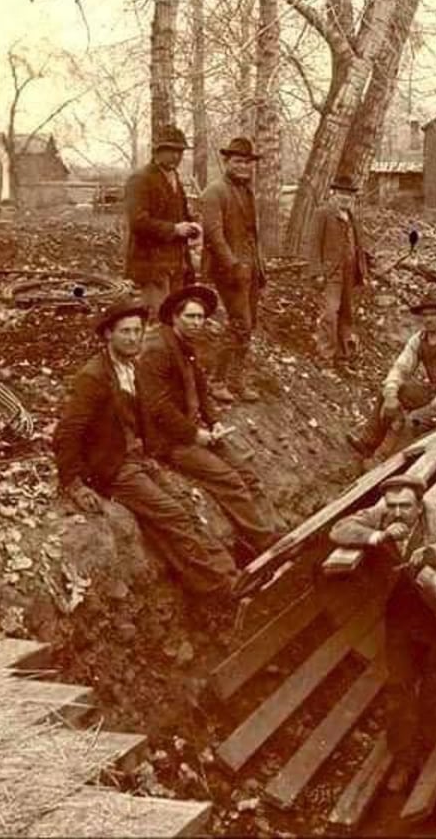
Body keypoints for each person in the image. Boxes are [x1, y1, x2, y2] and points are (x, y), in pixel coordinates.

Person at [52, 298, 241, 596]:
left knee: (186, 508)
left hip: (137, 458)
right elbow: (67, 432)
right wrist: (74, 483)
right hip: (111, 468)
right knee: (173, 514)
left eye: (137, 331)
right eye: (124, 332)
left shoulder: (132, 368)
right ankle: (221, 587)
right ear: (108, 335)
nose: (132, 338)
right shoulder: (93, 377)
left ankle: (230, 576)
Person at [328, 474, 436, 793]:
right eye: (393, 506)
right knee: (398, 688)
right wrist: (377, 536)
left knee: (435, 686)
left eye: (406, 506)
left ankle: (430, 750)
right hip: (399, 617)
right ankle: (403, 760)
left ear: (419, 505)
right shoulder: (382, 515)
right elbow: (339, 530)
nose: (399, 512)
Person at [137, 285, 283, 557]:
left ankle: (275, 530)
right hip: (168, 440)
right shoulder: (157, 350)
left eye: (200, 317)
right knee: (228, 479)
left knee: (247, 473)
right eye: (190, 317)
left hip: (194, 432)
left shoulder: (185, 346)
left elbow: (201, 390)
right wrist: (195, 434)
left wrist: (213, 421)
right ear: (174, 317)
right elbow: (158, 408)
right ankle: (263, 542)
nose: (196, 323)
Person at [346, 294, 436, 459]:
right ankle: (368, 444)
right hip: (435, 393)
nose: (428, 319)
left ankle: (390, 462)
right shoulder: (418, 340)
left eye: (433, 314)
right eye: (425, 315)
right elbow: (400, 368)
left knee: (414, 420)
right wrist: (391, 394)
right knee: (387, 391)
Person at [201, 136, 266, 404]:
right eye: (238, 161)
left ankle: (237, 380)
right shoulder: (214, 192)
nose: (243, 167)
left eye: (248, 163)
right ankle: (216, 381)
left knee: (248, 326)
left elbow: (252, 233)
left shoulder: (247, 191)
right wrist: (233, 265)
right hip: (230, 270)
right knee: (240, 323)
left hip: (251, 268)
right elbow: (215, 236)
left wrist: (259, 267)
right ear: (226, 162)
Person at [124, 126, 202, 313]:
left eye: (180, 151)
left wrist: (192, 225)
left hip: (177, 263)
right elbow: (137, 222)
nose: (177, 156)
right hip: (151, 264)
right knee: (156, 318)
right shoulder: (140, 179)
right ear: (157, 151)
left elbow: (178, 215)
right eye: (171, 150)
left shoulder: (174, 177)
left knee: (175, 315)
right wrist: (174, 229)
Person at [308, 175, 369, 363]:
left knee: (346, 312)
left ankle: (343, 354)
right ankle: (325, 355)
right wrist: (317, 272)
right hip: (331, 273)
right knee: (329, 312)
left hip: (350, 272)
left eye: (349, 195)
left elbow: (358, 245)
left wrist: (363, 271)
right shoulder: (322, 213)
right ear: (333, 193)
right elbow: (313, 244)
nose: (345, 198)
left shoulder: (352, 217)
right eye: (342, 193)